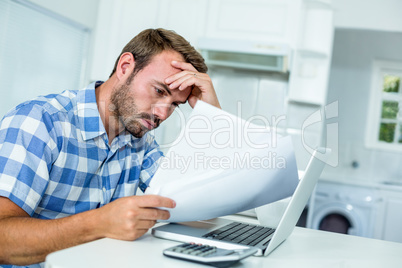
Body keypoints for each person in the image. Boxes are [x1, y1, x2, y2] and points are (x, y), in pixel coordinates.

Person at [0, 28, 221, 267]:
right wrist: (98, 223)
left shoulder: (139, 138)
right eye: (159, 91)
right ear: (125, 67)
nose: (162, 113)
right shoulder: (41, 121)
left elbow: (201, 207)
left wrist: (212, 115)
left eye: (175, 105)